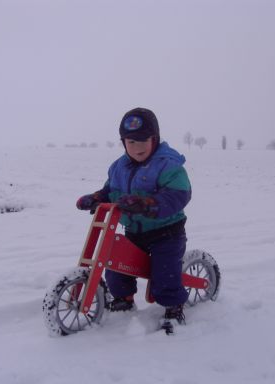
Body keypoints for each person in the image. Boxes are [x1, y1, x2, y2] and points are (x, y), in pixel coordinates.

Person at [76, 107, 192, 333]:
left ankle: (173, 306)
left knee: (164, 272)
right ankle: (123, 298)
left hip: (166, 231)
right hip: (134, 231)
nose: (136, 148)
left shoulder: (169, 164)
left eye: (142, 141)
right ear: (123, 142)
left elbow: (178, 195)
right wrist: (97, 198)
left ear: (155, 139)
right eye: (130, 142)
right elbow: (111, 190)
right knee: (115, 259)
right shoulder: (119, 167)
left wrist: (147, 204)